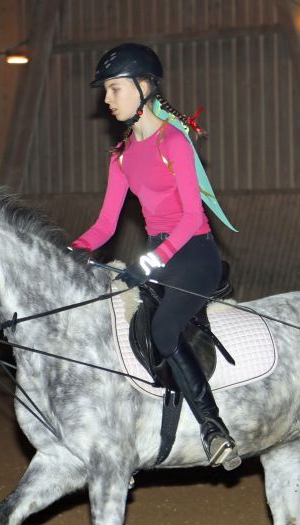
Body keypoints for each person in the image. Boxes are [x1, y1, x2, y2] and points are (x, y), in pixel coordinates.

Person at [69, 43, 237, 467]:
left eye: (114, 89)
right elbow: (106, 226)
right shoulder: (122, 156)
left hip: (193, 255)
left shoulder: (173, 142)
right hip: (158, 256)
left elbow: (192, 217)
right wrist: (70, 251)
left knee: (163, 329)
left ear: (143, 87)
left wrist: (151, 261)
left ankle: (214, 428)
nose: (107, 99)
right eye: (105, 91)